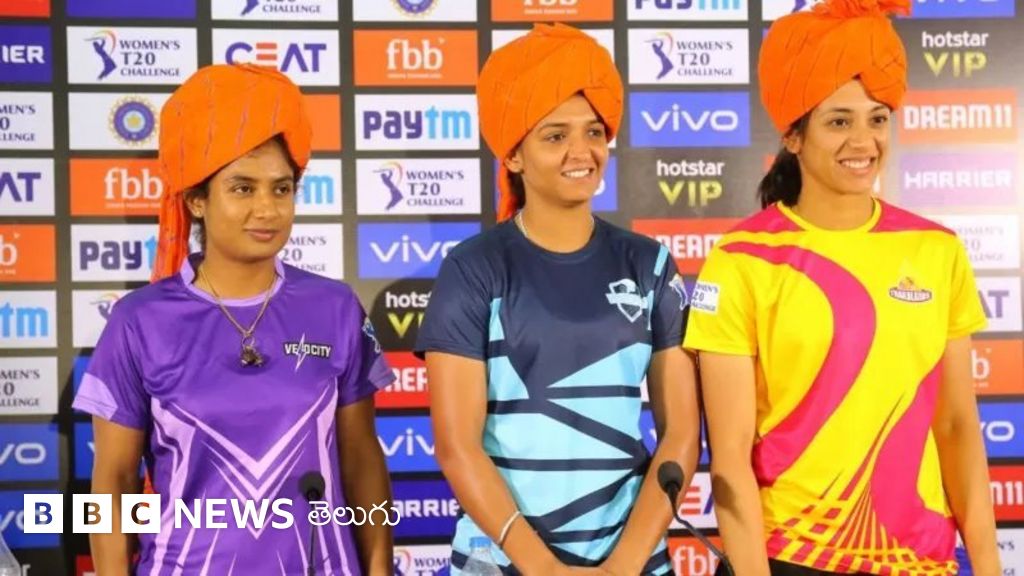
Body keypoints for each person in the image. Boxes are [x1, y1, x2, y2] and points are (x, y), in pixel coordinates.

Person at [684, 0, 1002, 574]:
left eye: (877, 119)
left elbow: (956, 426)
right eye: (838, 122)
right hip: (793, 556)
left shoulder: (936, 249)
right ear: (794, 136)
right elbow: (729, 456)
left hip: (919, 560)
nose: (864, 141)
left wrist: (988, 564)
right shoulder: (741, 259)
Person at [73, 64, 396, 575]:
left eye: (281, 189)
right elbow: (112, 484)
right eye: (243, 189)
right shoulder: (138, 322)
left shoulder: (334, 307)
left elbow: (361, 460)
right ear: (196, 200)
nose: (267, 209)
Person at [415, 23, 701, 576]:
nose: (582, 152)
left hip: (633, 563)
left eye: (594, 131)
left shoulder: (649, 264)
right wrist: (542, 569)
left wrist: (625, 565)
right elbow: (456, 447)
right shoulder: (472, 269)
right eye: (554, 136)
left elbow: (681, 434)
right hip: (500, 563)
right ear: (513, 156)